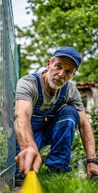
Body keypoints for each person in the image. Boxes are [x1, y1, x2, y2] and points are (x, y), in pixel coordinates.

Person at [14, 46, 98, 182]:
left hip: (47, 132)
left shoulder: (70, 91)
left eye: (68, 71)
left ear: (73, 75)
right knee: (21, 173)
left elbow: (84, 124)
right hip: (25, 133)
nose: (61, 74)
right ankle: (25, 158)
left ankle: (57, 168)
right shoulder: (29, 83)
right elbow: (21, 115)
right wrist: (27, 147)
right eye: (58, 66)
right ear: (49, 64)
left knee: (70, 112)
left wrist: (92, 160)